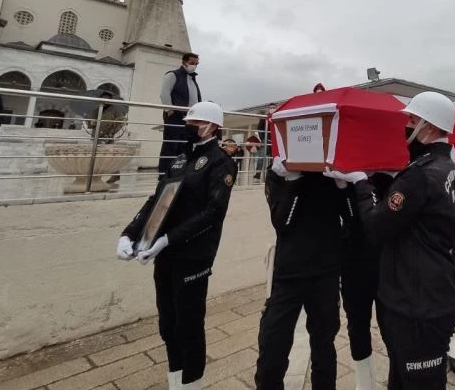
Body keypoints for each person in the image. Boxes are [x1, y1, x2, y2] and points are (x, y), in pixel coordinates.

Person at [326, 91, 455, 390]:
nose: (406, 126)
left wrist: (362, 184)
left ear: (428, 126)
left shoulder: (419, 175)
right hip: (434, 290)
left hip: (418, 302)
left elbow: (376, 227)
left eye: (412, 120)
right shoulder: (448, 169)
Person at [116, 102, 236, 390]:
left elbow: (214, 212)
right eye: (188, 123)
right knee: (168, 325)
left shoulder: (221, 162)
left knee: (188, 326)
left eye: (194, 123)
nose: (188, 128)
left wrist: (167, 239)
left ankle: (192, 384)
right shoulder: (180, 159)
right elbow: (157, 199)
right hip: (165, 254)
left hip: (193, 255)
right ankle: (175, 382)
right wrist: (130, 234)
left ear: (211, 127)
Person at [254, 159, 347, 389]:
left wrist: (344, 187)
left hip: (325, 272)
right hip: (288, 274)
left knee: (323, 349)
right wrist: (293, 181)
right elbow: (282, 222)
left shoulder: (329, 172)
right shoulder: (278, 172)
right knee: (272, 349)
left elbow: (351, 217)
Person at [340, 172, 392, 390]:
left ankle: (398, 378)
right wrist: (344, 188)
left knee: (391, 326)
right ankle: (365, 382)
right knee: (357, 324)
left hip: (387, 260)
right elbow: (350, 218)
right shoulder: (346, 178)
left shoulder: (388, 178)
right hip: (355, 259)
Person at [159, 53, 202, 177]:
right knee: (170, 145)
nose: (194, 65)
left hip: (189, 118)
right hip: (176, 116)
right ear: (184, 62)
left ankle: (179, 173)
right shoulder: (173, 75)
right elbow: (164, 93)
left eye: (196, 63)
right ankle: (164, 175)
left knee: (184, 146)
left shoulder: (192, 79)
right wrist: (169, 109)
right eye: (192, 63)